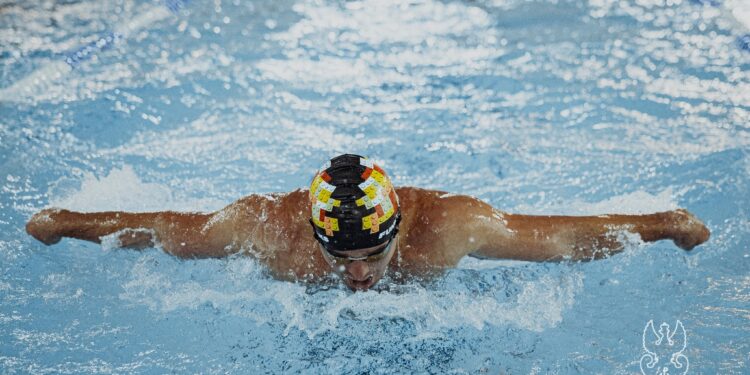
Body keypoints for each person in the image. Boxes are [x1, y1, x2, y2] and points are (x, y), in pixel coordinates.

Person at [25, 154, 710, 291]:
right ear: (313, 232)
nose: (356, 274)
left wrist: (664, 223)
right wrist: (65, 222)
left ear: (398, 226)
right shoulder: (268, 228)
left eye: (371, 257)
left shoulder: (447, 227)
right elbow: (165, 229)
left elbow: (560, 237)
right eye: (340, 257)